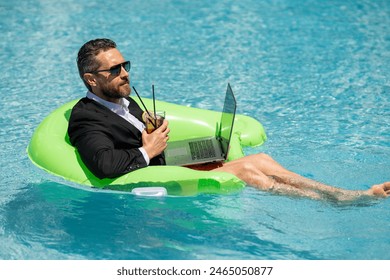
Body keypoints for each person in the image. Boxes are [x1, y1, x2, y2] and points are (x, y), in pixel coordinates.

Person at [68, 38, 390, 202]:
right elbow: (104, 165)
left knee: (260, 157)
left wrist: (146, 123)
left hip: (168, 157)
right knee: (248, 169)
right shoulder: (86, 118)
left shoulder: (122, 99)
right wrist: (148, 149)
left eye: (125, 65)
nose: (124, 73)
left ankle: (334, 192)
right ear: (91, 80)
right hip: (153, 169)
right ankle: (343, 200)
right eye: (114, 69)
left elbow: (130, 129)